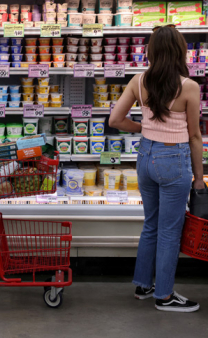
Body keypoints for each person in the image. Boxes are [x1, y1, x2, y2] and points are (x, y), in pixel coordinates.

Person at [109, 25, 203, 313]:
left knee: (151, 224)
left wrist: (142, 128)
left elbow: (115, 119)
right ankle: (164, 295)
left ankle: (143, 285)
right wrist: (199, 178)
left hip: (146, 156)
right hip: (173, 160)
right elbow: (195, 136)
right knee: (170, 231)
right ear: (179, 51)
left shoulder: (139, 81)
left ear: (150, 51)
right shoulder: (188, 86)